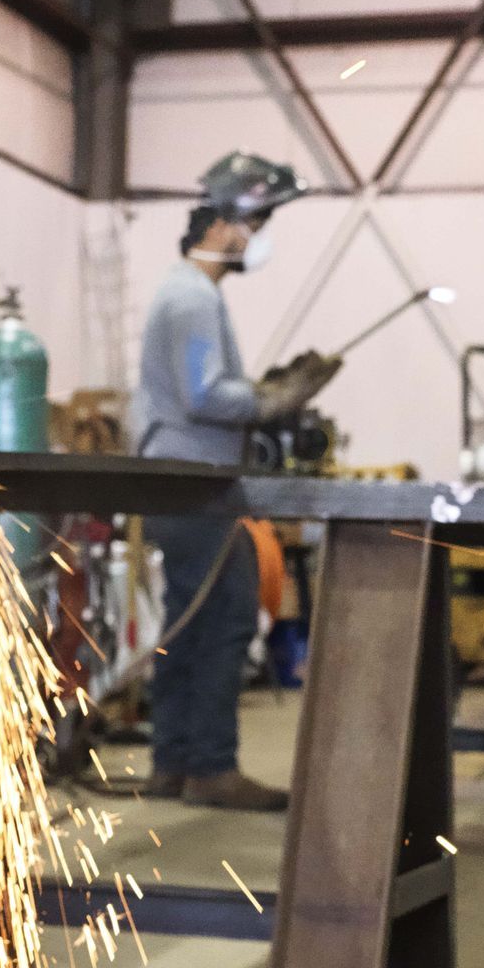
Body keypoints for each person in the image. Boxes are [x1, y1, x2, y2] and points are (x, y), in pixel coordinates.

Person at [130, 151, 337, 811]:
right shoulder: (191, 298)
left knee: (187, 623)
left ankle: (173, 763)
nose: (258, 236)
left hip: (182, 479)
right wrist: (270, 399)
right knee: (223, 618)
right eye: (257, 221)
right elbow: (203, 394)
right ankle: (210, 768)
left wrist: (261, 394)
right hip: (193, 483)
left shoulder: (187, 292)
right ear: (221, 226)